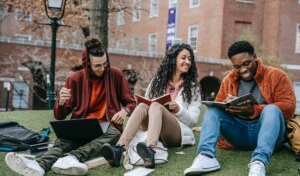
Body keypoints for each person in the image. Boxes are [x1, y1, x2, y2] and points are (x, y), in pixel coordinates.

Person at [5, 38, 136, 176]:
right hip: (82, 125)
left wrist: (124, 111)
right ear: (87, 64)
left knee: (115, 134)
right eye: (97, 66)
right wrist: (61, 102)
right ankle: (39, 165)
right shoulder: (74, 79)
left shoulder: (115, 75)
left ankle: (72, 158)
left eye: (105, 64)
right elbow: (59, 115)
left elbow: (131, 102)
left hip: (106, 128)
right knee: (63, 141)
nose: (103, 69)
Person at [184, 40, 296, 176]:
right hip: (238, 134)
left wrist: (254, 110)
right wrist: (227, 105)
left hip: (268, 135)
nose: (243, 70)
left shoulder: (277, 76)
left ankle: (259, 162)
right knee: (213, 109)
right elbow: (219, 107)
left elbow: (289, 108)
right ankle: (206, 156)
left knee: (271, 109)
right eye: (237, 67)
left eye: (246, 63)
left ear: (255, 57)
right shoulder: (228, 80)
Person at [100, 43, 202, 169]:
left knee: (156, 106)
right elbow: (146, 106)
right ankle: (119, 149)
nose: (187, 62)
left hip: (176, 132)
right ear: (173, 59)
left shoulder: (193, 87)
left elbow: (192, 121)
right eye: (183, 58)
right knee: (143, 105)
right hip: (153, 128)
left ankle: (151, 151)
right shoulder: (157, 82)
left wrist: (178, 109)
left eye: (190, 59)